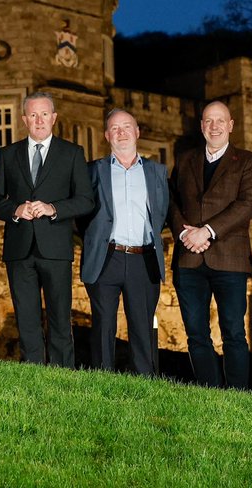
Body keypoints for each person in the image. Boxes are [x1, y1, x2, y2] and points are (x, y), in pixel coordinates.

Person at [0, 91, 94, 367]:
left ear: (54, 118)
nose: (39, 120)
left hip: (56, 248)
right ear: (24, 119)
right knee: (26, 319)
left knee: (60, 318)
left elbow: (85, 200)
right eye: (33, 114)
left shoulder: (72, 154)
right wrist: (15, 210)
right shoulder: (8, 155)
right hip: (19, 249)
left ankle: (62, 377)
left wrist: (53, 209)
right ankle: (33, 373)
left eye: (44, 114)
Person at [167, 101, 252, 389]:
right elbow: (170, 201)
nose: (214, 126)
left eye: (220, 121)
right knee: (196, 332)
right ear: (201, 126)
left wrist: (207, 231)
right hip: (189, 259)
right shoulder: (185, 159)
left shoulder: (247, 160)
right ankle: (210, 391)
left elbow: (248, 204)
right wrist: (184, 234)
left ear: (231, 125)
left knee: (233, 331)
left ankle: (237, 394)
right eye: (208, 121)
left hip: (229, 259)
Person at [79, 109, 169, 374]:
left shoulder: (157, 172)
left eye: (126, 127)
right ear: (107, 136)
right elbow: (83, 214)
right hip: (106, 257)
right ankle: (103, 382)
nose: (121, 132)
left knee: (142, 327)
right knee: (103, 325)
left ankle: (145, 384)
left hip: (143, 258)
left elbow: (162, 213)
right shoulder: (93, 170)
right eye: (115, 128)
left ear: (137, 132)